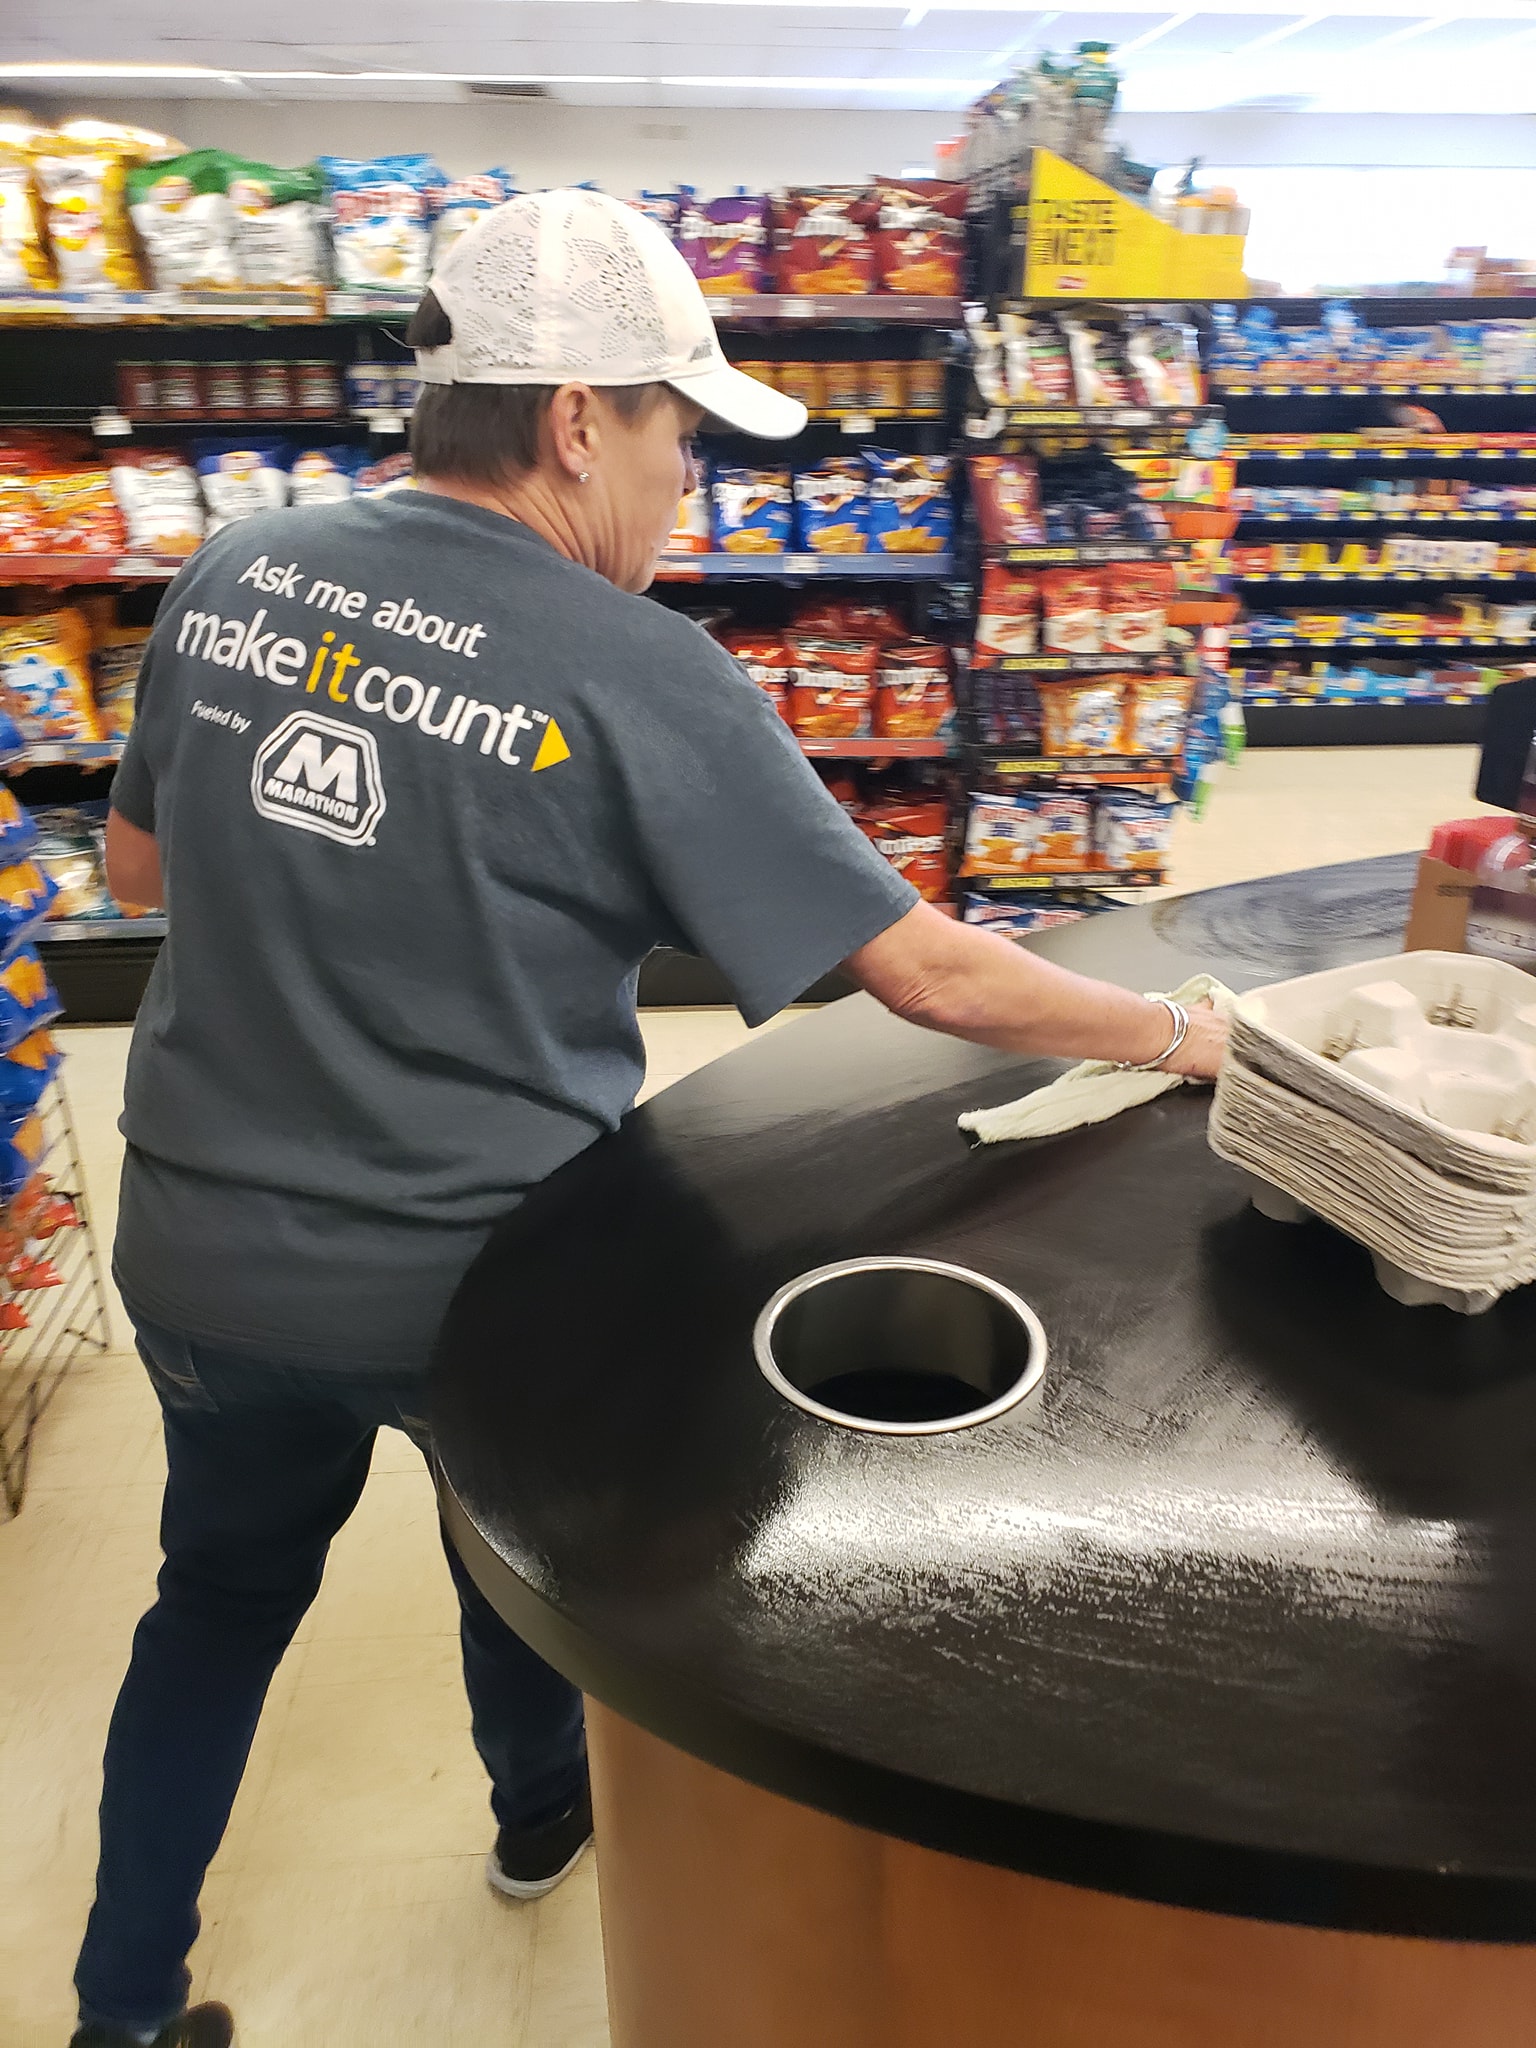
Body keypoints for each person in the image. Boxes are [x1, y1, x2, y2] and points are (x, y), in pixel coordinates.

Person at [72, 187, 1226, 2048]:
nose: (690, 479)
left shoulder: (239, 567)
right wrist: (1184, 1033)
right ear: (573, 420)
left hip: (202, 1250)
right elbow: (934, 978)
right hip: (472, 1281)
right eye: (679, 428)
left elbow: (141, 867)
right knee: (517, 1551)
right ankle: (542, 1816)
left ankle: (119, 2010)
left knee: (211, 1597)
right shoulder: (638, 669)